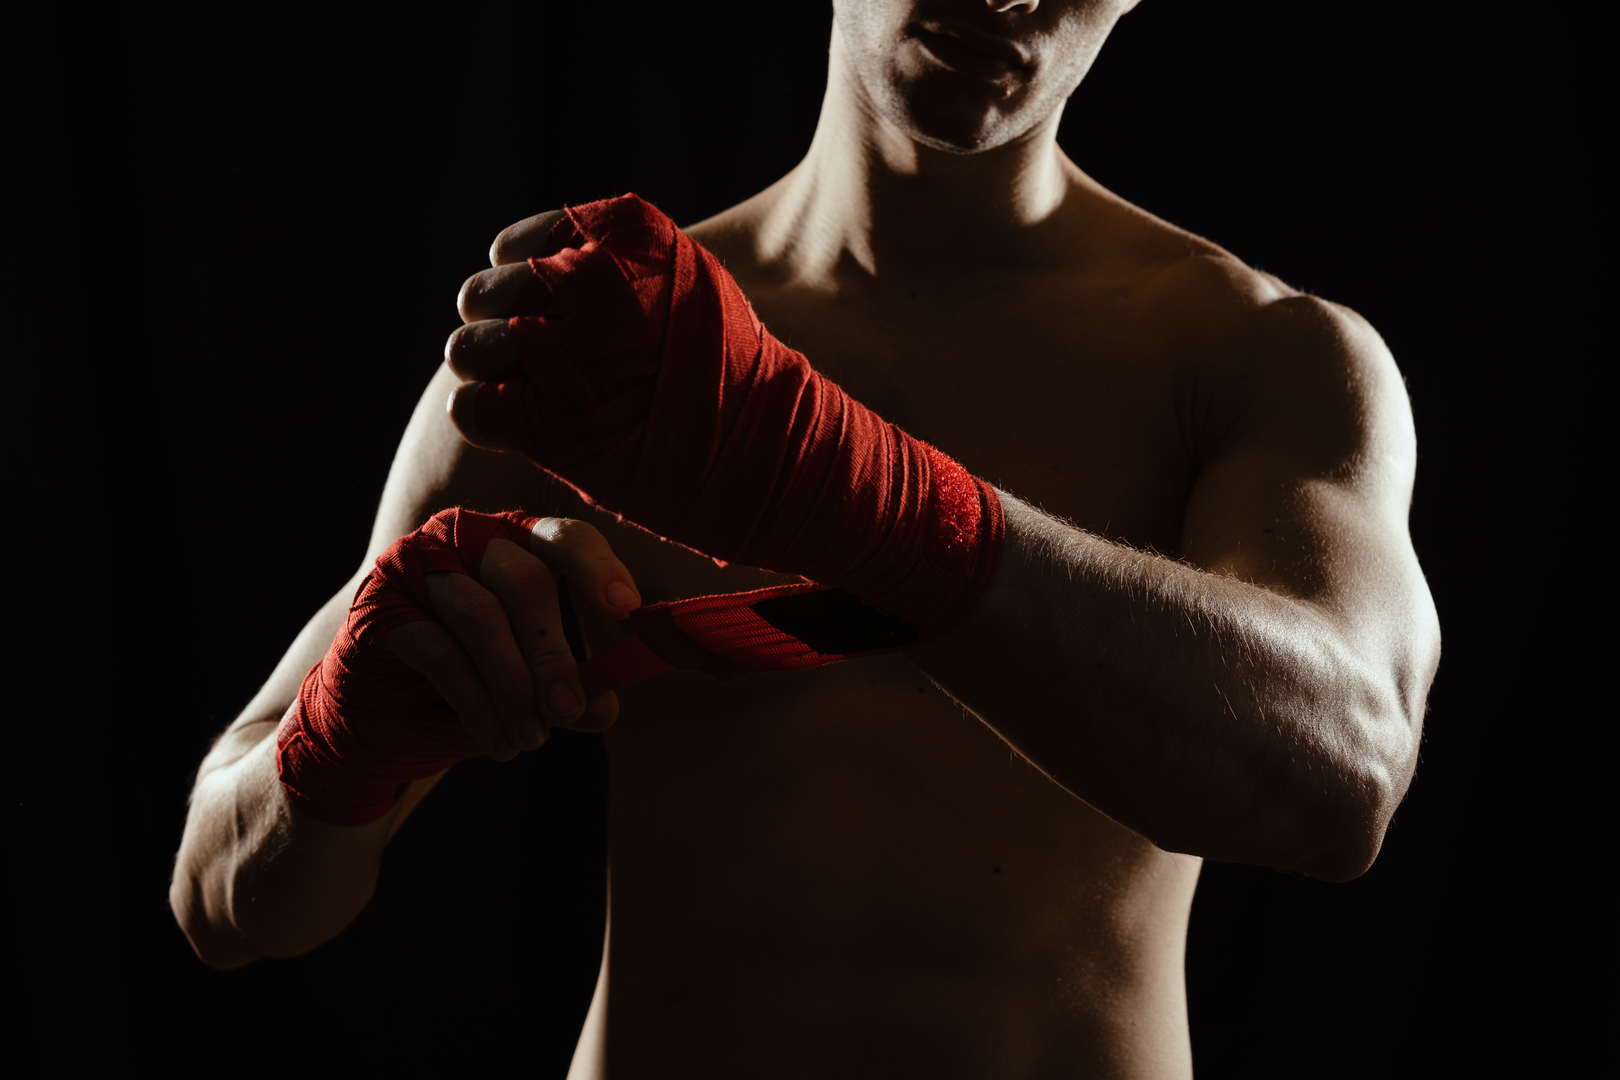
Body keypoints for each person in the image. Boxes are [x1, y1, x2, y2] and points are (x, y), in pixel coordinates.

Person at [170, 0, 1441, 1075]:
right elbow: (223, 901)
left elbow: (1344, 777)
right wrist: (341, 741)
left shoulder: (1253, 358)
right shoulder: (606, 355)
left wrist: (841, 490)